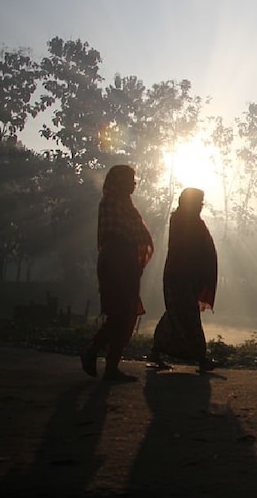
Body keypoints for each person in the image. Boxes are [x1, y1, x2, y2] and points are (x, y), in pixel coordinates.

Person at [81, 164, 154, 382]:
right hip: (116, 261)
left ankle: (109, 364)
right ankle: (94, 351)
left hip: (125, 262)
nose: (134, 183)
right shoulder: (112, 202)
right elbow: (123, 233)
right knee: (121, 312)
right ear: (120, 181)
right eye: (131, 179)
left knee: (126, 313)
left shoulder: (125, 204)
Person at [147, 187, 218, 372]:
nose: (201, 206)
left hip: (186, 276)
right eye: (199, 202)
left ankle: (156, 352)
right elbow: (192, 248)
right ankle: (201, 358)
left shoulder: (190, 221)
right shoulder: (184, 221)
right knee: (187, 315)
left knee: (175, 314)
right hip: (180, 275)